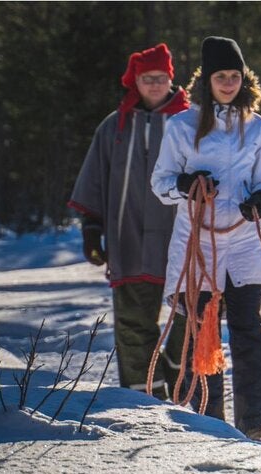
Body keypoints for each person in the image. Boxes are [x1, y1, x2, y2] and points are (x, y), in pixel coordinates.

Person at [151, 36, 261, 443]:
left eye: (234, 76)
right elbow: (160, 182)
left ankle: (254, 422)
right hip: (198, 242)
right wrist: (185, 183)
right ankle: (210, 420)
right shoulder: (182, 126)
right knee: (201, 330)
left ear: (244, 79)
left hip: (244, 241)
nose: (228, 83)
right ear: (206, 80)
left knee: (248, 331)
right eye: (221, 76)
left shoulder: (258, 127)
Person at [69, 43, 190, 400]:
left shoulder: (190, 123)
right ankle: (143, 401)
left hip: (181, 240)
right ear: (134, 81)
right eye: (147, 78)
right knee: (133, 323)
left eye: (161, 77)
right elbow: (95, 178)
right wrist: (92, 228)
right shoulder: (114, 127)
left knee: (191, 317)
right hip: (129, 238)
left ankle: (180, 382)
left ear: (171, 78)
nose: (154, 84)